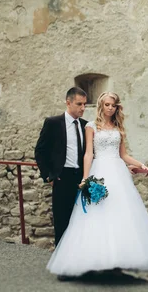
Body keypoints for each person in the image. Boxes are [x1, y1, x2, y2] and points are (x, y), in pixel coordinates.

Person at [46, 91, 148, 278]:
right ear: (101, 106)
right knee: (96, 215)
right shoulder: (91, 126)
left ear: (117, 107)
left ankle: (117, 263)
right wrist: (85, 178)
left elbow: (123, 155)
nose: (110, 108)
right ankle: (93, 263)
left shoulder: (119, 127)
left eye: (113, 105)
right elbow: (88, 154)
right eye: (107, 105)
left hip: (118, 173)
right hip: (99, 170)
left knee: (120, 214)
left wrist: (140, 164)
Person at [34, 87, 88, 246]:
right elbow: (40, 151)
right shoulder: (53, 123)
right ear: (68, 102)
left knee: (83, 221)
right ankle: (61, 264)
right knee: (62, 222)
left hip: (82, 178)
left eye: (85, 104)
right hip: (62, 177)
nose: (83, 108)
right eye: (79, 104)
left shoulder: (86, 125)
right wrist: (48, 175)